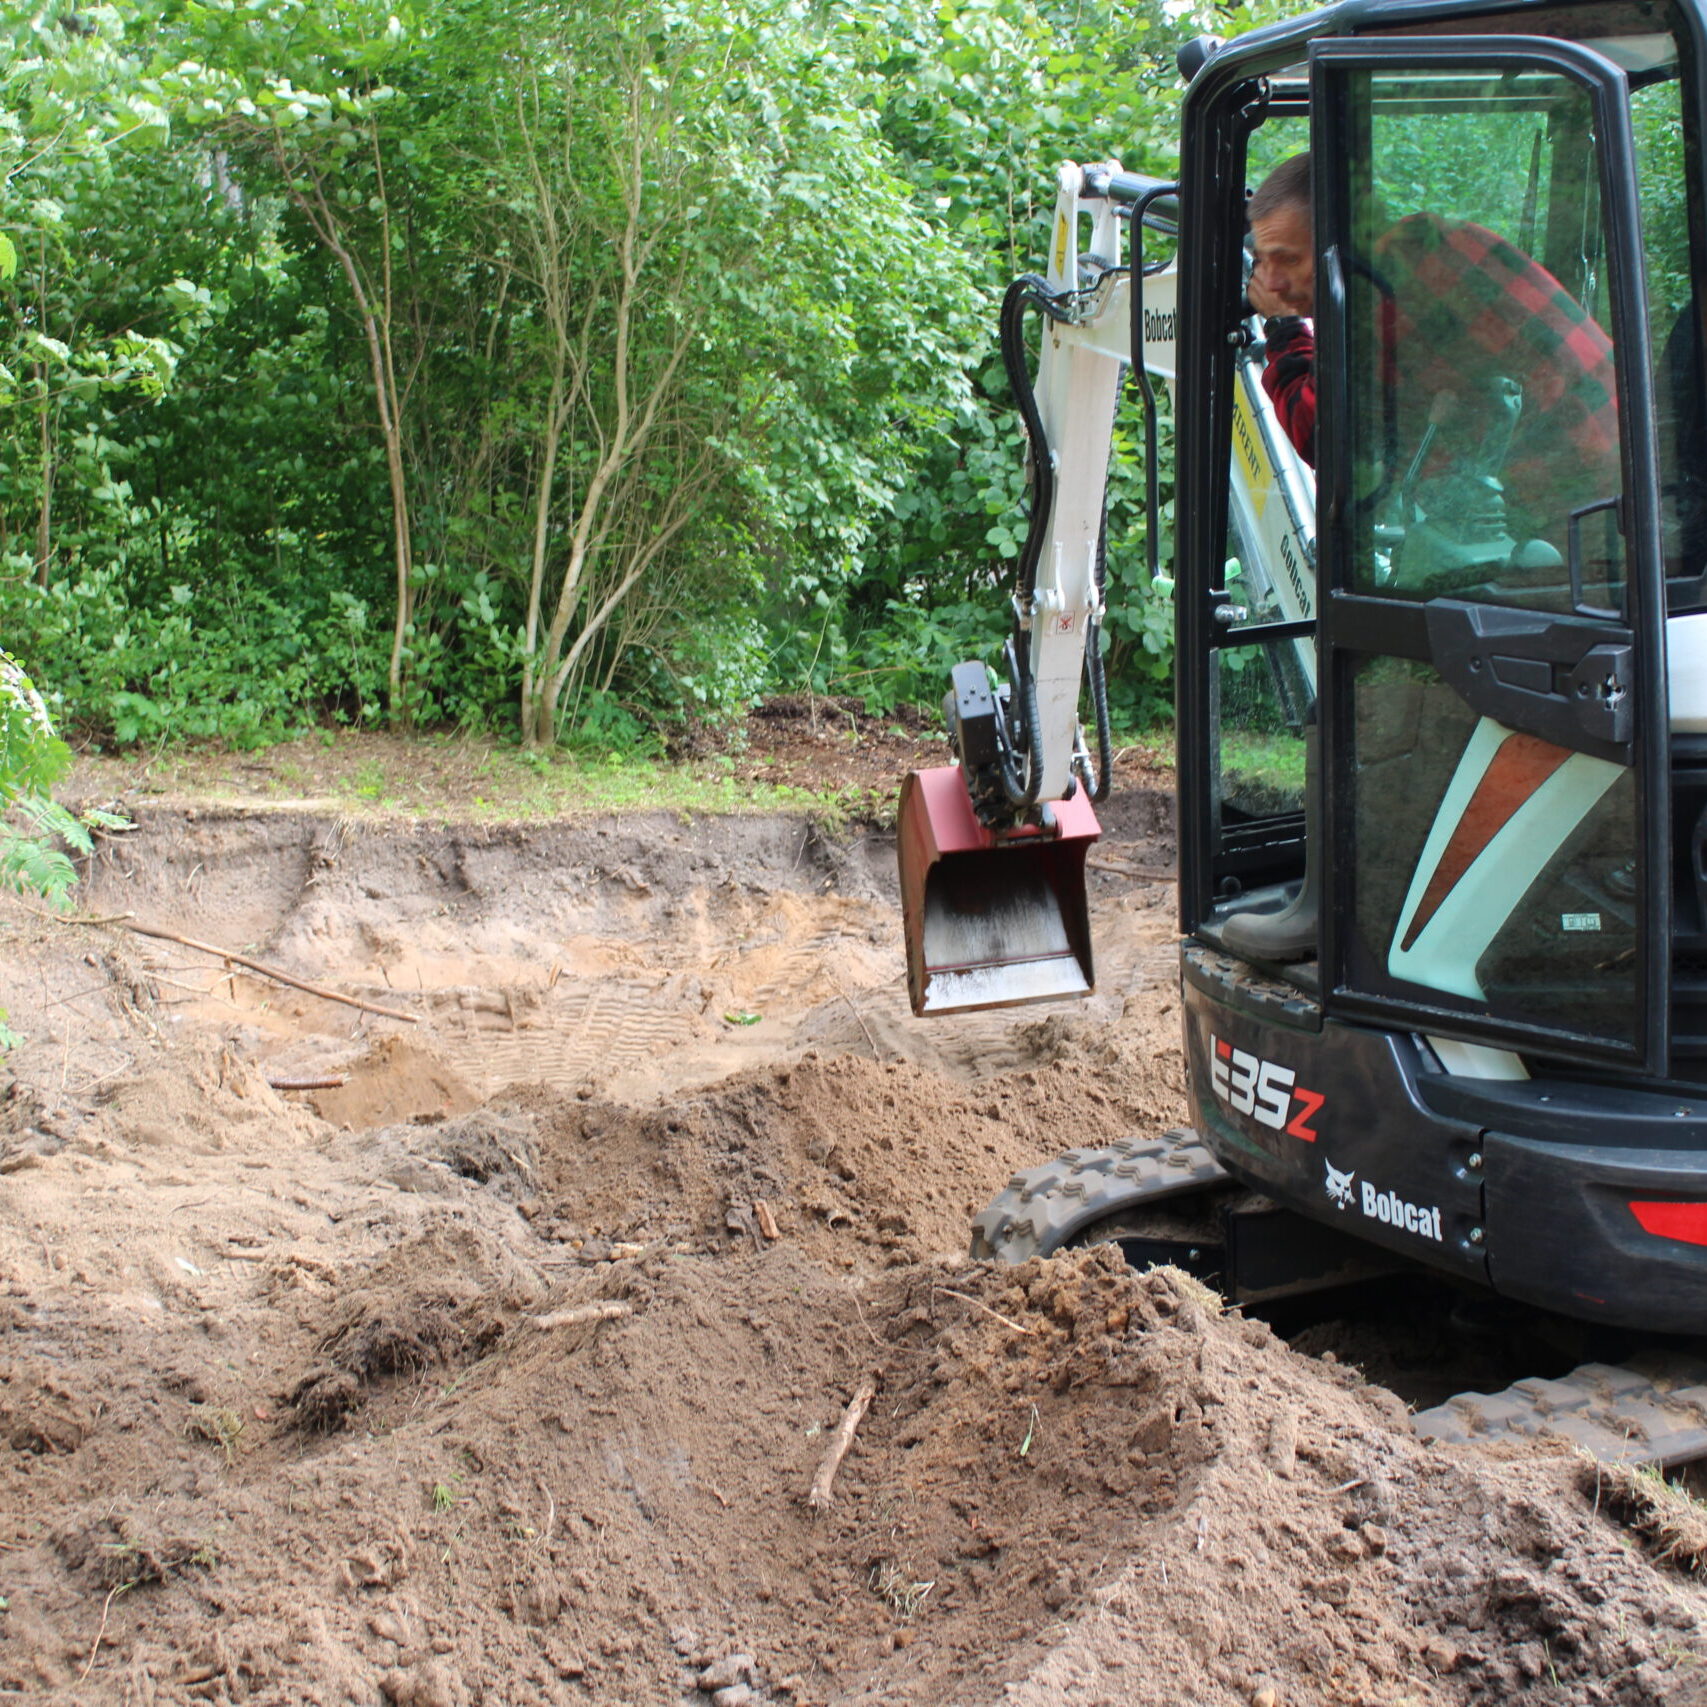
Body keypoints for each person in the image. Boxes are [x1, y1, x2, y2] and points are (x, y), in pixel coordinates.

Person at [1245, 152, 1318, 464]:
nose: (1271, 285)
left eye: (1289, 260)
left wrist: (1282, 327)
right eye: (1262, 261)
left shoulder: (1371, 317)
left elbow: (1317, 435)